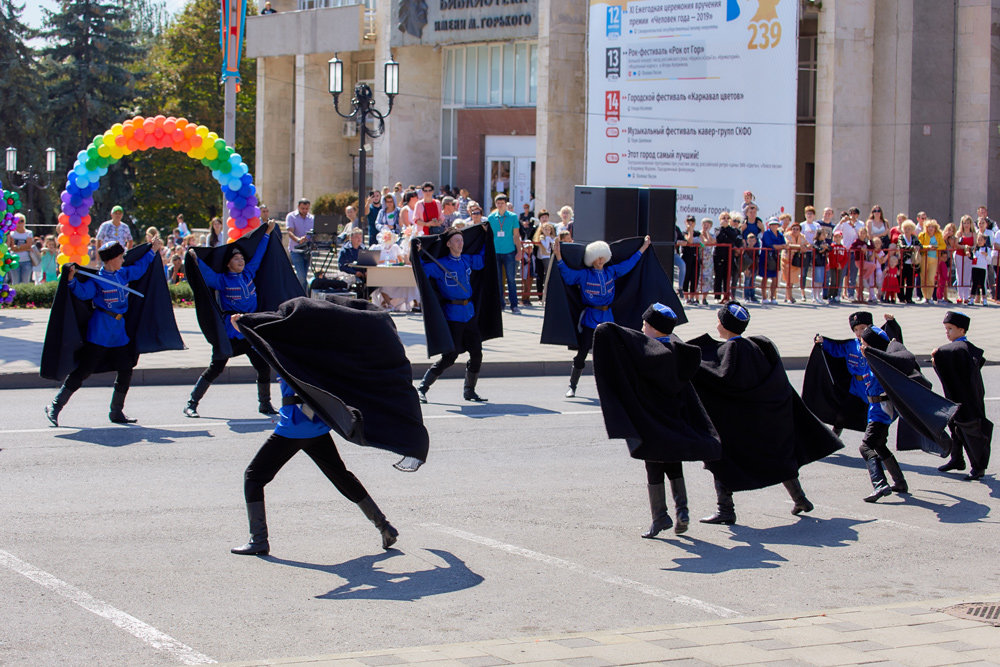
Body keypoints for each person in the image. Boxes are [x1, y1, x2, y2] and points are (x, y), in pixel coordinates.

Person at [689, 303, 840, 524]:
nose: (717, 324)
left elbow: (718, 378)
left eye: (719, 321)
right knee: (778, 457)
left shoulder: (731, 350)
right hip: (766, 417)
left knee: (720, 458)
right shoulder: (757, 346)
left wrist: (688, 359)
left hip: (743, 422)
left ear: (726, 325)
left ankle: (726, 509)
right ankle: (800, 499)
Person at [592, 304, 721, 537]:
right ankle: (682, 510)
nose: (641, 328)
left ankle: (659, 516)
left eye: (645, 324)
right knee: (673, 463)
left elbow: (613, 334)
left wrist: (602, 328)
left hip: (650, 421)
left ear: (652, 328)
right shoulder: (678, 352)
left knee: (653, 466)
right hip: (674, 419)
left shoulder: (645, 351)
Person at [44, 239, 163, 425]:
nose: (123, 259)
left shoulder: (123, 274)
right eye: (120, 257)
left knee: (125, 369)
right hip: (100, 330)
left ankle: (116, 412)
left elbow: (140, 268)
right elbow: (83, 293)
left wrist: (152, 251)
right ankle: (55, 405)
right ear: (111, 259)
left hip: (119, 332)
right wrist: (71, 281)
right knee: (83, 370)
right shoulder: (97, 279)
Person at [183, 221, 278, 418]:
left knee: (263, 367)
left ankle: (265, 404)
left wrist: (267, 233)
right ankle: (191, 404)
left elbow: (259, 255)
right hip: (231, 333)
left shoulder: (248, 273)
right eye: (236, 259)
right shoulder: (221, 280)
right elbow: (204, 273)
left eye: (242, 257)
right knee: (216, 368)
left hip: (249, 332)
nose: (241, 260)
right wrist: (193, 257)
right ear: (228, 264)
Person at [813, 313, 907, 501]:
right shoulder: (869, 358)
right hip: (874, 407)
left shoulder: (878, 364)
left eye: (864, 342)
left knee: (866, 447)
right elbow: (840, 349)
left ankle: (880, 485)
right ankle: (900, 482)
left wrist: (891, 326)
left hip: (880, 410)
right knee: (879, 445)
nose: (860, 344)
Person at [554, 234, 652, 397]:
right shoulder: (584, 274)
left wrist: (643, 248)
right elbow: (568, 275)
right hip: (590, 317)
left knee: (611, 352)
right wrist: (558, 255)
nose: (600, 261)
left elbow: (628, 265)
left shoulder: (611, 271)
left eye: (602, 257)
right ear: (591, 259)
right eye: (597, 258)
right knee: (583, 351)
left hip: (608, 317)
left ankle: (613, 387)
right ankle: (572, 386)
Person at [415, 228, 489, 402]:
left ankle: (469, 391)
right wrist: (416, 253)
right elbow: (421, 270)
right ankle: (422, 388)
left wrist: (486, 236)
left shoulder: (467, 260)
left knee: (477, 353)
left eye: (461, 240)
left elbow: (484, 258)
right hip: (452, 315)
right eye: (456, 240)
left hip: (469, 313)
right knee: (450, 356)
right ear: (448, 244)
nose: (460, 243)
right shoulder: (439, 264)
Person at [932, 311, 992, 480]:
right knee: (956, 429)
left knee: (971, 432)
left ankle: (978, 467)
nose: (947, 332)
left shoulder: (960, 349)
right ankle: (957, 459)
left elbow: (946, 355)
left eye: (950, 328)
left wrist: (937, 356)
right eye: (946, 328)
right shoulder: (961, 349)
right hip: (959, 398)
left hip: (967, 400)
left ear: (962, 330)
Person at [487, 193, 522, 313]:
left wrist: (519, 251)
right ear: (495, 204)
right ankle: (500, 304)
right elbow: (489, 236)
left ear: (506, 204)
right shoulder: (491, 218)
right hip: (495, 252)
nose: (500, 205)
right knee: (498, 279)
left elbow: (516, 235)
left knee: (511, 279)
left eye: (502, 203)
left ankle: (514, 305)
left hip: (509, 251)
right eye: (498, 203)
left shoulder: (512, 216)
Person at [285, 198, 314, 291]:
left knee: (304, 276)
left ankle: (301, 294)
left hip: (307, 250)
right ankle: (301, 295)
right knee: (301, 276)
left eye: (307, 208)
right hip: (296, 250)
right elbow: (290, 232)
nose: (305, 211)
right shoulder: (291, 216)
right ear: (298, 207)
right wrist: (298, 240)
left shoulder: (312, 218)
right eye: (303, 208)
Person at [713, 210, 741, 301]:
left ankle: (726, 296)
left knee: (727, 276)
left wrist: (727, 228)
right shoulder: (717, 229)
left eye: (727, 218)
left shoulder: (732, 230)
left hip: (729, 255)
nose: (725, 220)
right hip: (719, 255)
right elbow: (719, 238)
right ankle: (717, 296)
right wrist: (723, 228)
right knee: (718, 276)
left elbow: (732, 238)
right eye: (723, 218)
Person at [759, 217, 786, 303]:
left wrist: (781, 246)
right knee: (765, 278)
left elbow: (784, 244)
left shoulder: (780, 234)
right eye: (772, 224)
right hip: (766, 257)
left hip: (775, 257)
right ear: (769, 225)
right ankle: (764, 297)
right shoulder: (766, 234)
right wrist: (781, 246)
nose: (774, 226)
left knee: (775, 278)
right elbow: (770, 245)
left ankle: (773, 297)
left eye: (776, 224)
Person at [918, 219, 944, 303]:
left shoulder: (938, 235)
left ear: (935, 228)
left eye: (932, 227)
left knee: (931, 277)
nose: (931, 228)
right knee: (923, 277)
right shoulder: (922, 235)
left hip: (934, 258)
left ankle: (929, 296)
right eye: (929, 227)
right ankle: (925, 296)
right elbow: (920, 246)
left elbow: (943, 245)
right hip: (924, 258)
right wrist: (927, 247)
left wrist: (936, 247)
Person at [337, 227, 368, 294]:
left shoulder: (364, 249)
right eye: (357, 237)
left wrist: (366, 272)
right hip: (350, 276)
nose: (359, 239)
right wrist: (355, 273)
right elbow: (341, 266)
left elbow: (368, 262)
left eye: (360, 237)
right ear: (351, 238)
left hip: (363, 276)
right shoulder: (345, 250)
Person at [6, 214, 33, 284]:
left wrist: (17, 247)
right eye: (18, 221)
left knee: (25, 283)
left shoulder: (29, 233)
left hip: (26, 261)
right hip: (14, 262)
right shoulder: (12, 233)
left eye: (22, 221)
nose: (20, 223)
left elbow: (29, 245)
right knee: (15, 283)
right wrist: (25, 247)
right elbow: (12, 247)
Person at [533, 218, 556, 298]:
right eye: (545, 229)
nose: (547, 231)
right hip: (543, 257)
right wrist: (548, 238)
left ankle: (547, 294)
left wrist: (551, 238)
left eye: (549, 230)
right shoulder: (542, 237)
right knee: (543, 276)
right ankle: (541, 295)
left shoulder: (551, 237)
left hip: (549, 256)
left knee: (548, 275)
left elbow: (553, 245)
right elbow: (546, 246)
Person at [812, 227, 830, 304]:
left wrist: (826, 248)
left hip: (823, 262)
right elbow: (818, 249)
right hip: (817, 263)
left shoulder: (824, 242)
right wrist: (823, 249)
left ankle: (819, 296)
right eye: (822, 234)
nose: (824, 236)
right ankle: (814, 296)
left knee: (821, 281)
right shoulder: (816, 242)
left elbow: (830, 248)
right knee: (816, 281)